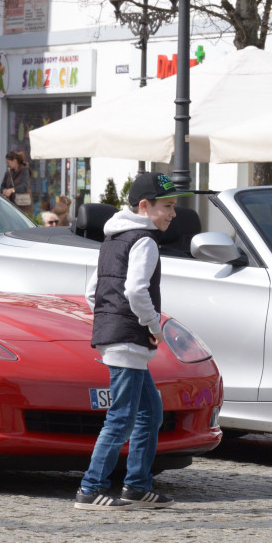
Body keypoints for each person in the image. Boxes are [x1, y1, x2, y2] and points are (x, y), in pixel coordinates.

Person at [75, 172, 191, 511]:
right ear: (145, 206)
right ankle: (90, 487)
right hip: (128, 338)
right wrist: (153, 325)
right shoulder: (145, 240)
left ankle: (137, 486)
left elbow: (92, 292)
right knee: (122, 417)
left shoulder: (113, 239)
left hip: (115, 336)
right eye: (167, 206)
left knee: (149, 411)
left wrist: (111, 320)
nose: (173, 213)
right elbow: (136, 290)